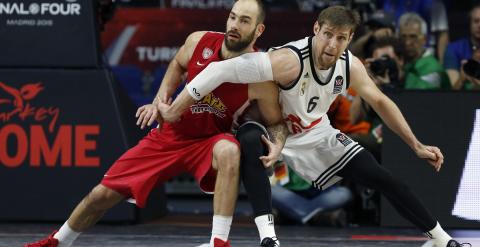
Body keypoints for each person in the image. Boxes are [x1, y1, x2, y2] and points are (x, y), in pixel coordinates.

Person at [157, 6, 471, 247]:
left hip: (315, 134)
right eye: (328, 34)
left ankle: (440, 238)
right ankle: (269, 238)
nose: (332, 44)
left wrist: (416, 145)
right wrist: (174, 109)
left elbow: (381, 102)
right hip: (273, 127)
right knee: (250, 137)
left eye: (341, 38)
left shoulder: (350, 65)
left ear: (349, 39)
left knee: (381, 177)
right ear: (316, 29)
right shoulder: (288, 60)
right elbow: (218, 71)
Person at [23, 1, 285, 247]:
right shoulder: (198, 41)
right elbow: (176, 65)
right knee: (100, 195)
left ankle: (219, 242)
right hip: (170, 135)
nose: (234, 26)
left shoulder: (260, 76)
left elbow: (276, 123)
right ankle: (58, 241)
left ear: (258, 29)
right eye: (232, 17)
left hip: (210, 141)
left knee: (230, 150)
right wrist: (159, 101)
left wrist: (276, 146)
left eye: (244, 21)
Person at [398, 12, 450, 90]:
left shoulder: (432, 68)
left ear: (424, 39)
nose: (407, 42)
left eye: (413, 37)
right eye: (403, 37)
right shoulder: (401, 63)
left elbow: (419, 98)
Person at [444, 3, 480, 90]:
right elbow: (452, 92)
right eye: (476, 21)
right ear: (469, 23)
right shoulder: (453, 49)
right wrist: (462, 77)